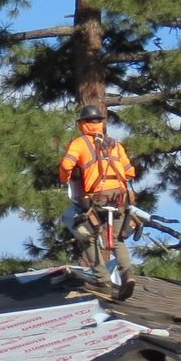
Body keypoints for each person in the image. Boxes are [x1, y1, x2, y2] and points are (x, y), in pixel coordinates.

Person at [58, 103, 141, 287]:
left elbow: (66, 165)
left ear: (82, 123)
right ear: (101, 123)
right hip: (120, 198)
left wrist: (66, 178)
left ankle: (102, 280)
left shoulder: (79, 143)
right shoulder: (115, 144)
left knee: (86, 235)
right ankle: (128, 275)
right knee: (117, 239)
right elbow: (130, 172)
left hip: (97, 198)